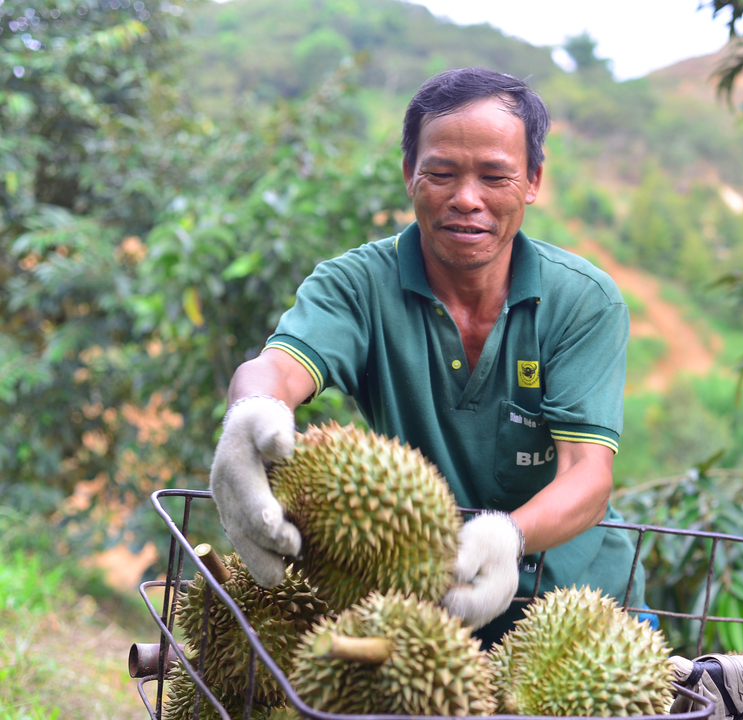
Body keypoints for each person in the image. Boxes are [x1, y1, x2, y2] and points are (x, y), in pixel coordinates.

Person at [209, 67, 643, 646]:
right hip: (424, 610)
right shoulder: (357, 285)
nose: (467, 200)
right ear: (410, 173)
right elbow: (279, 367)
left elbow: (587, 475)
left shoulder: (582, 301)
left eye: (495, 176)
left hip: (581, 611)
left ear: (533, 180)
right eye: (440, 173)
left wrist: (506, 538)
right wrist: (252, 409)